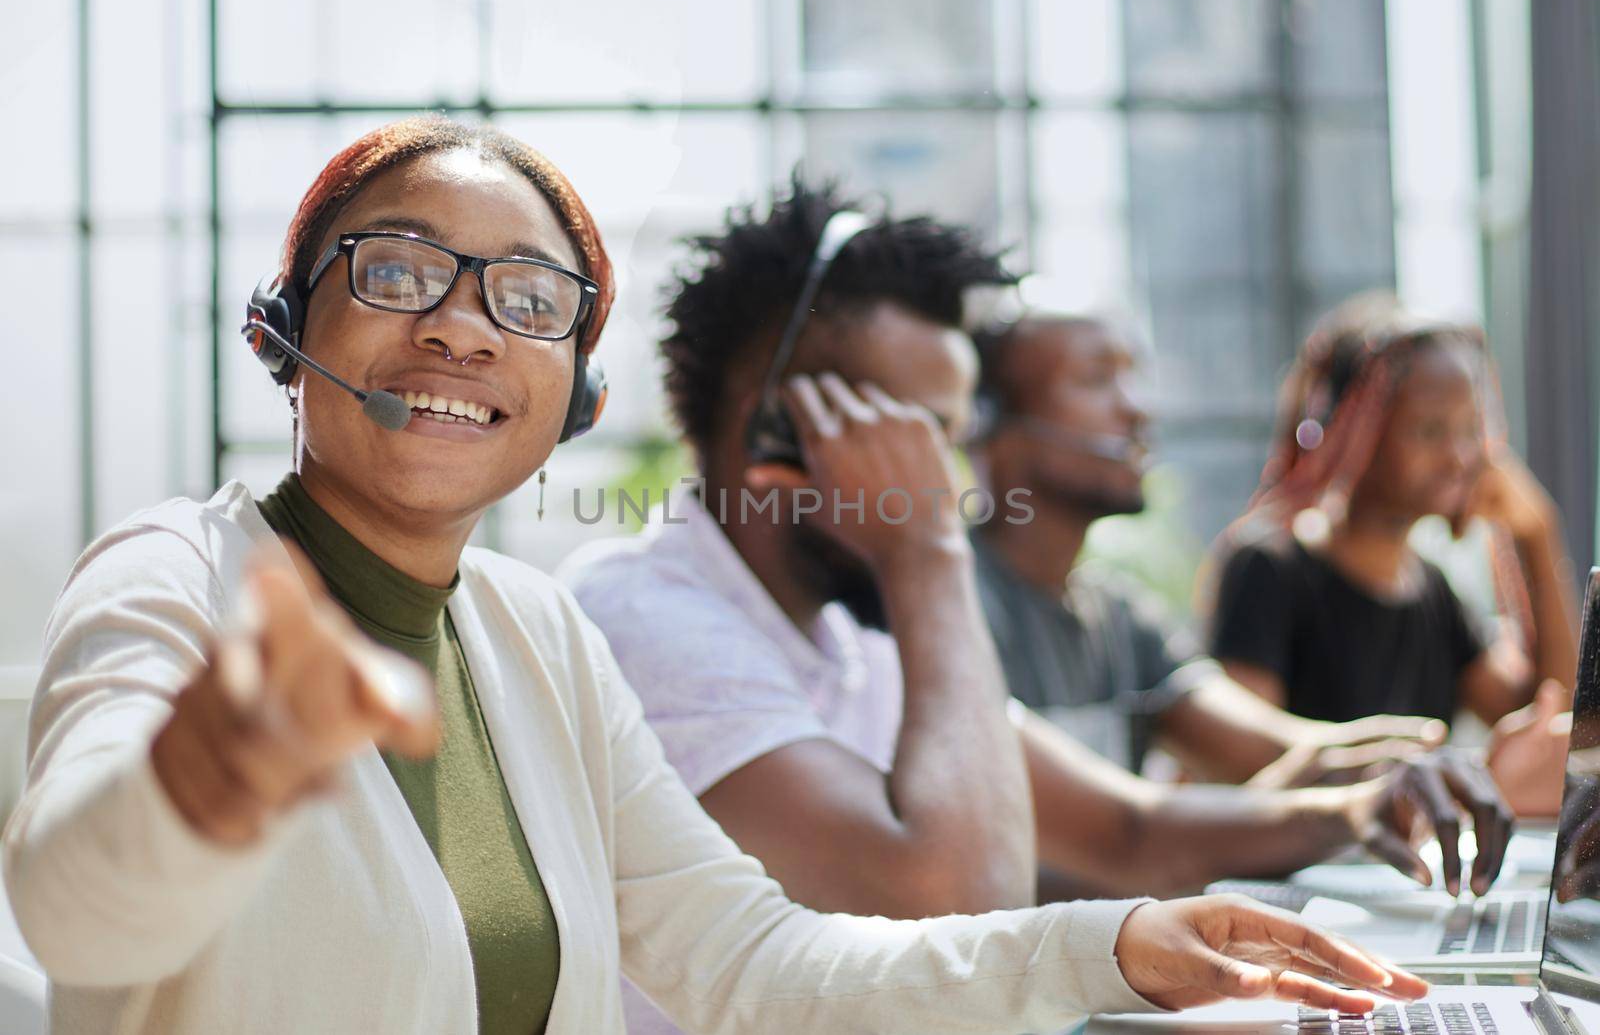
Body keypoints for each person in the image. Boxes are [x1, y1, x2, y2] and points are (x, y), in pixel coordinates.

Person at [1, 118, 1432, 1035]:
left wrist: (1111, 945)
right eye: (393, 272)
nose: (457, 326)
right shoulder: (174, 575)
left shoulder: (534, 633)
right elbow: (72, 909)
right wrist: (215, 769)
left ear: (572, 389)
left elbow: (759, 964)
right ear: (281, 325)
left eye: (528, 299)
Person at [561, 182, 1495, 1035]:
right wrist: (927, 552)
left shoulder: (847, 633)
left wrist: (1358, 806)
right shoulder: (649, 619)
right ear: (780, 429)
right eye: (925, 437)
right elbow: (948, 897)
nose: (955, 479)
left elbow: (1129, 832)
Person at [969, 307, 1447, 785]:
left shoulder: (1118, 618)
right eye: (1096, 380)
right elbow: (1125, 830)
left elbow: (1273, 748)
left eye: (1131, 377)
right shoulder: (954, 609)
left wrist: (1419, 762)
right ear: (986, 425)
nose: (1138, 409)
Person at [1205, 293, 1578, 742]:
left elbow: (1550, 724)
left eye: (1469, 430)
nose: (1460, 457)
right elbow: (1245, 755)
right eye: (1430, 431)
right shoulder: (1269, 569)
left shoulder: (1431, 591)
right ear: (1353, 432)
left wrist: (1538, 534)